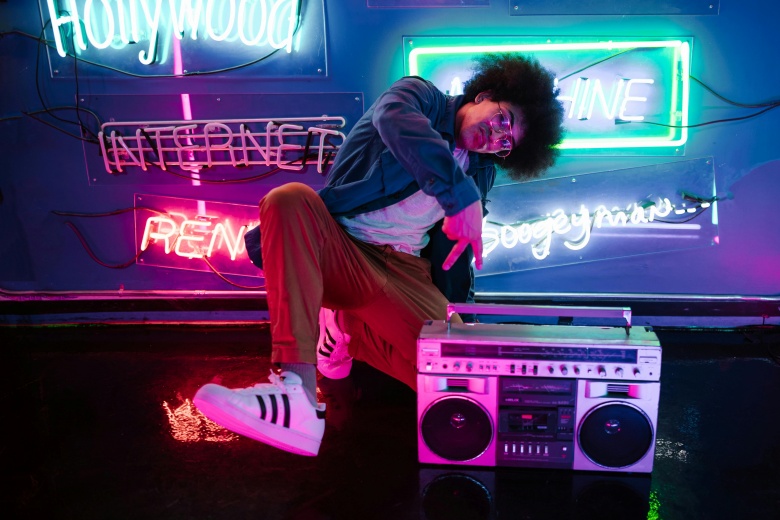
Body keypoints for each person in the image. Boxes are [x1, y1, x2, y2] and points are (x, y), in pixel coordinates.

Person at [193, 54, 565, 456]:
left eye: (507, 142)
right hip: (343, 248)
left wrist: (463, 320)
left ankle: (345, 329)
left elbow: (457, 259)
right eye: (503, 119)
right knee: (288, 200)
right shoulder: (419, 96)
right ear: (485, 95)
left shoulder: (481, 171)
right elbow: (395, 121)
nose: (497, 136)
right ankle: (294, 394)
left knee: (459, 382)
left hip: (406, 271)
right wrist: (461, 197)